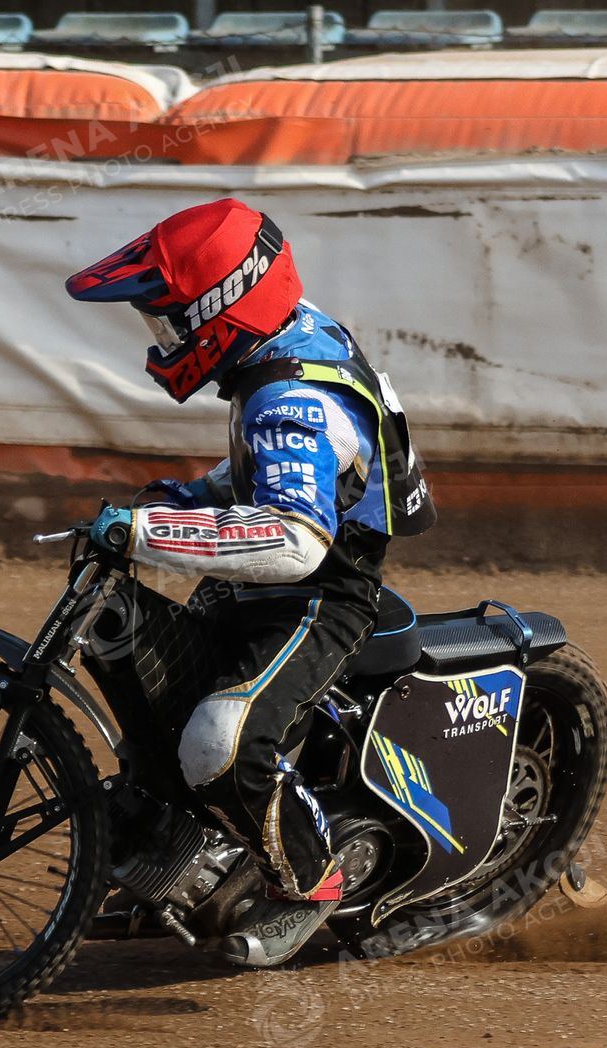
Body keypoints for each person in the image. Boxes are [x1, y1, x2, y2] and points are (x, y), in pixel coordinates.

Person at [65, 197, 434, 967]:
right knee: (129, 652)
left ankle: (308, 881)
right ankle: (179, 846)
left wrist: (148, 533)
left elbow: (294, 541)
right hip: (264, 575)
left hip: (320, 595)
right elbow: (274, 468)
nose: (163, 342)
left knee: (217, 741)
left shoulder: (292, 398)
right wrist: (193, 495)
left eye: (171, 324)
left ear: (222, 311)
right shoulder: (289, 334)